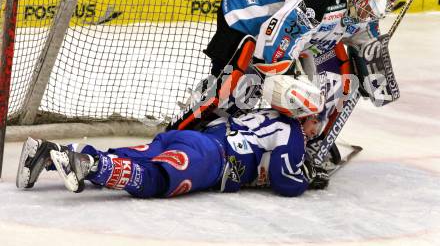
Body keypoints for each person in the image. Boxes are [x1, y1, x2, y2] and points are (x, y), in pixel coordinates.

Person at [201, 0, 398, 118]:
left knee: (285, 80)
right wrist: (280, 77)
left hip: (280, 5)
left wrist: (375, 79)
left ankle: (250, 118)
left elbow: (368, 43)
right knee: (235, 76)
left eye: (372, 14)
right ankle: (204, 114)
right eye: (367, 10)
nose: (366, 16)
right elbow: (281, 30)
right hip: (249, 2)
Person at [16, 110, 328, 198]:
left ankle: (48, 153)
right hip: (210, 160)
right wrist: (305, 177)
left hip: (187, 138)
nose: (316, 129)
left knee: (131, 157)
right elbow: (286, 182)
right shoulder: (293, 130)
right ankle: (89, 164)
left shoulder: (261, 113)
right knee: (154, 180)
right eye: (316, 121)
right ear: (303, 114)